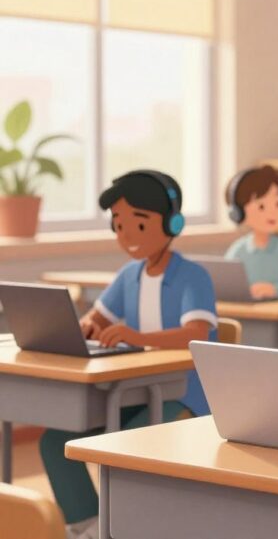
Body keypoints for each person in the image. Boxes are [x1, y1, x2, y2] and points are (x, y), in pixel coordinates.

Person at [42, 170, 218, 539]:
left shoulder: (193, 276)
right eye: (119, 226)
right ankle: (88, 525)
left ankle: (125, 526)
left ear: (173, 222)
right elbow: (98, 316)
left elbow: (196, 334)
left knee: (129, 443)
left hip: (185, 395)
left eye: (139, 225)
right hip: (131, 389)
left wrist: (136, 335)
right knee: (55, 439)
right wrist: (88, 325)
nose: (127, 236)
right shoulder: (129, 275)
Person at [224, 165, 278, 299]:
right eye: (261, 206)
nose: (272, 212)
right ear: (238, 213)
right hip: (244, 316)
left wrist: (274, 289)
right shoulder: (237, 251)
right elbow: (226, 287)